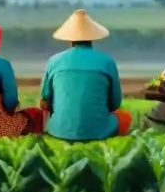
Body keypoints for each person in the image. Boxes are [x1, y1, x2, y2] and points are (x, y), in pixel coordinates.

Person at [40, 9, 132, 141]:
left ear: (70, 39)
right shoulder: (107, 61)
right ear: (92, 38)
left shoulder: (54, 61)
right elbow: (115, 104)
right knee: (124, 118)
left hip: (58, 130)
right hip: (99, 130)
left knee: (40, 115)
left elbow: (44, 102)